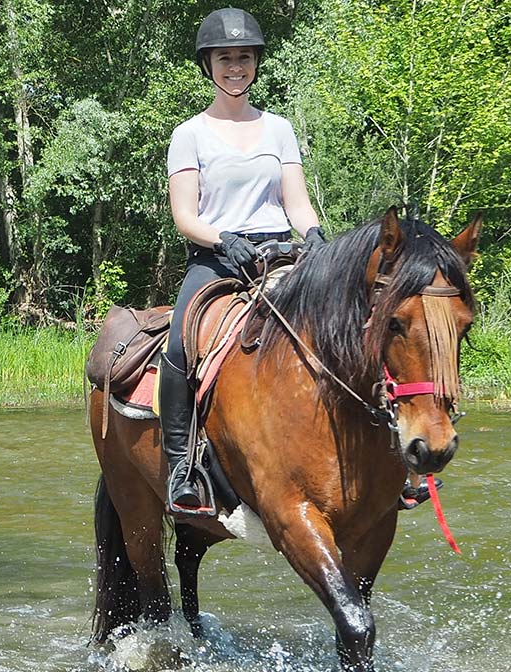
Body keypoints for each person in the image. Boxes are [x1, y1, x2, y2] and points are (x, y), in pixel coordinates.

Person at [159, 7, 325, 517]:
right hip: (218, 259)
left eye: (245, 57)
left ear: (256, 64)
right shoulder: (190, 134)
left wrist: (315, 234)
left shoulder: (278, 128)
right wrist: (223, 238)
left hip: (280, 253)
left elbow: (295, 202)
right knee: (181, 343)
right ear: (208, 65)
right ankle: (180, 468)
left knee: (350, 323)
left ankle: (388, 455)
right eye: (226, 58)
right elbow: (184, 215)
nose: (236, 66)